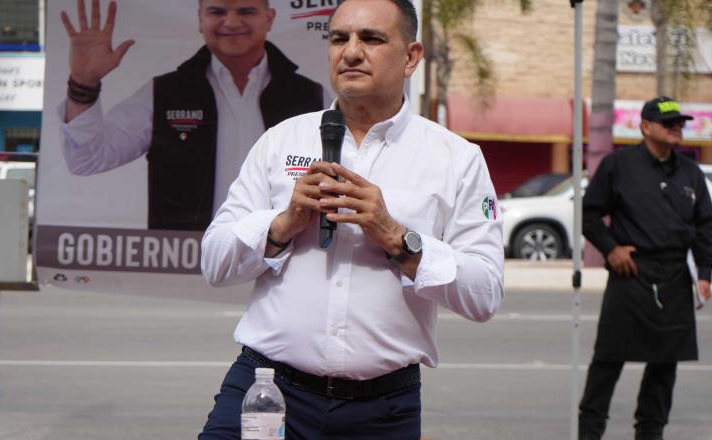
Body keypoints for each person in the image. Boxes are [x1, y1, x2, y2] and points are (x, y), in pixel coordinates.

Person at [198, 0, 505, 438]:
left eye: (372, 39)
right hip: (269, 390)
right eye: (339, 38)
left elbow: (485, 294)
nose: (351, 52)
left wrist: (397, 238)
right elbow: (213, 263)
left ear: (412, 57)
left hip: (384, 409)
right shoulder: (281, 140)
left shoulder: (456, 159)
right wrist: (282, 225)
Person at [58, 0, 326, 230]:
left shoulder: (313, 97)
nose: (231, 22)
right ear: (200, 19)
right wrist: (83, 84)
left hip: (283, 262)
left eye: (246, 11)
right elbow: (87, 159)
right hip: (185, 271)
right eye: (217, 11)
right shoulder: (163, 93)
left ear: (269, 19)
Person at [579, 97, 712, 440]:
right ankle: (589, 434)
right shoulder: (618, 165)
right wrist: (611, 249)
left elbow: (706, 226)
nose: (677, 128)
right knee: (607, 363)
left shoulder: (691, 172)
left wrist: (704, 273)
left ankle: (650, 434)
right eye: (668, 122)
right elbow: (590, 214)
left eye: (680, 123)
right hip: (630, 276)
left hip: (673, 277)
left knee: (663, 369)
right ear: (645, 127)